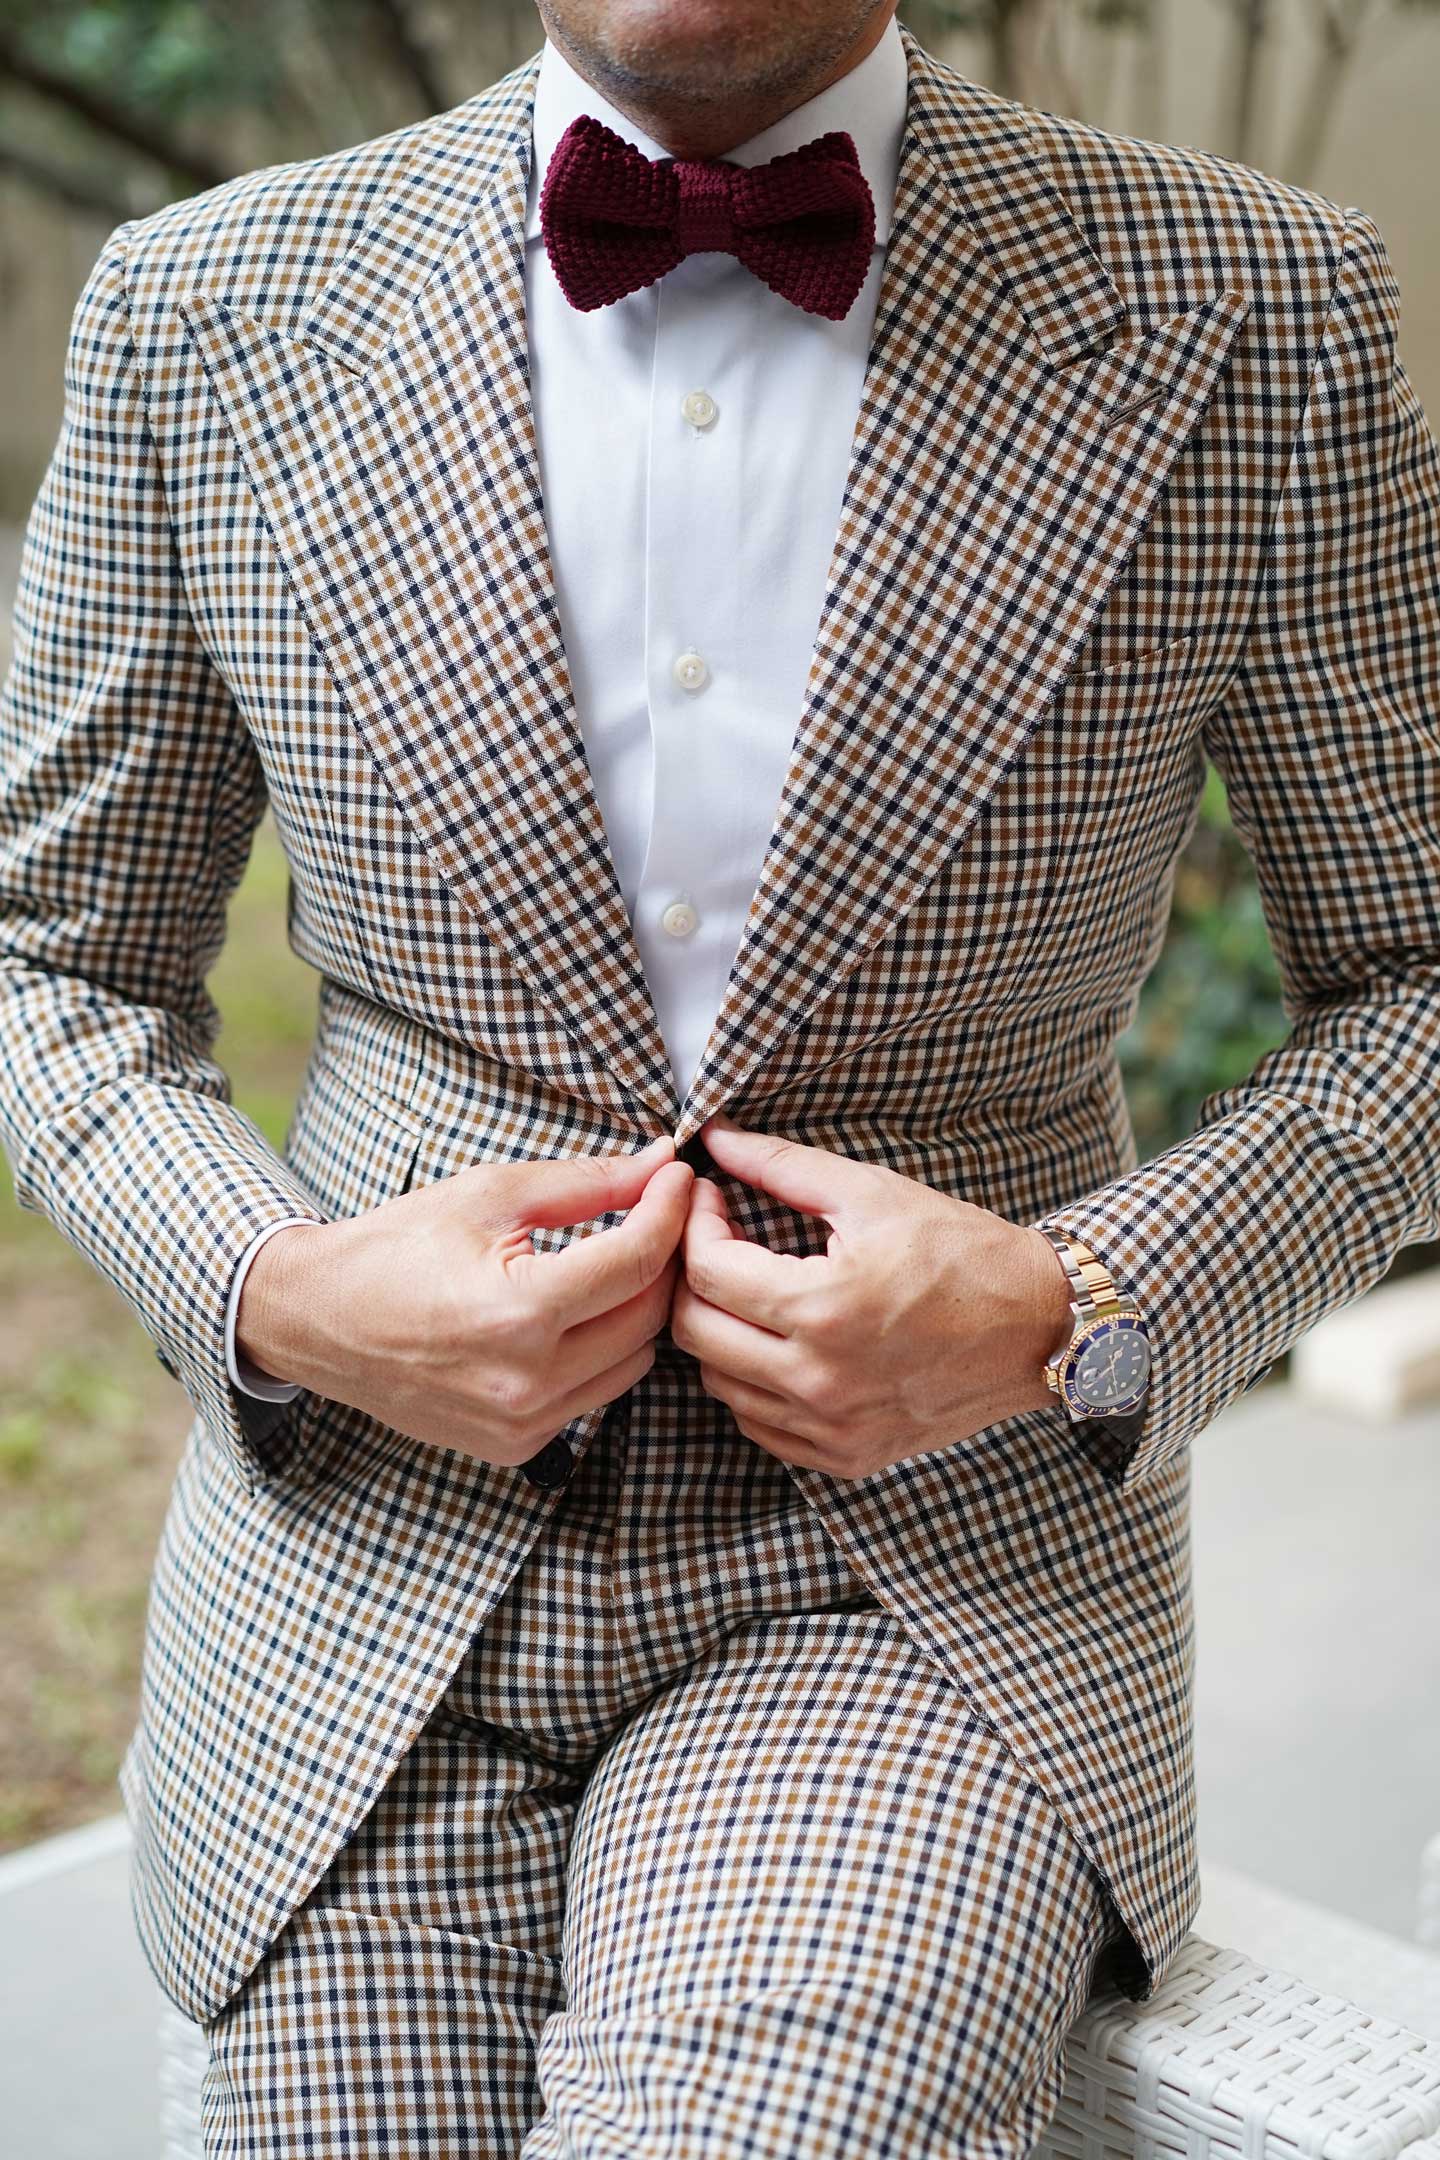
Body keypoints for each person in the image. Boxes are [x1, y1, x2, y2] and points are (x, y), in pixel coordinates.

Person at [2, 0, 1437, 2151]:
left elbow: (1421, 974)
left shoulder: (1258, 304)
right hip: (358, 1604)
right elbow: (52, 958)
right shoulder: (202, 310)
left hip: (926, 1588)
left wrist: (1084, 1306)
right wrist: (276, 1292)